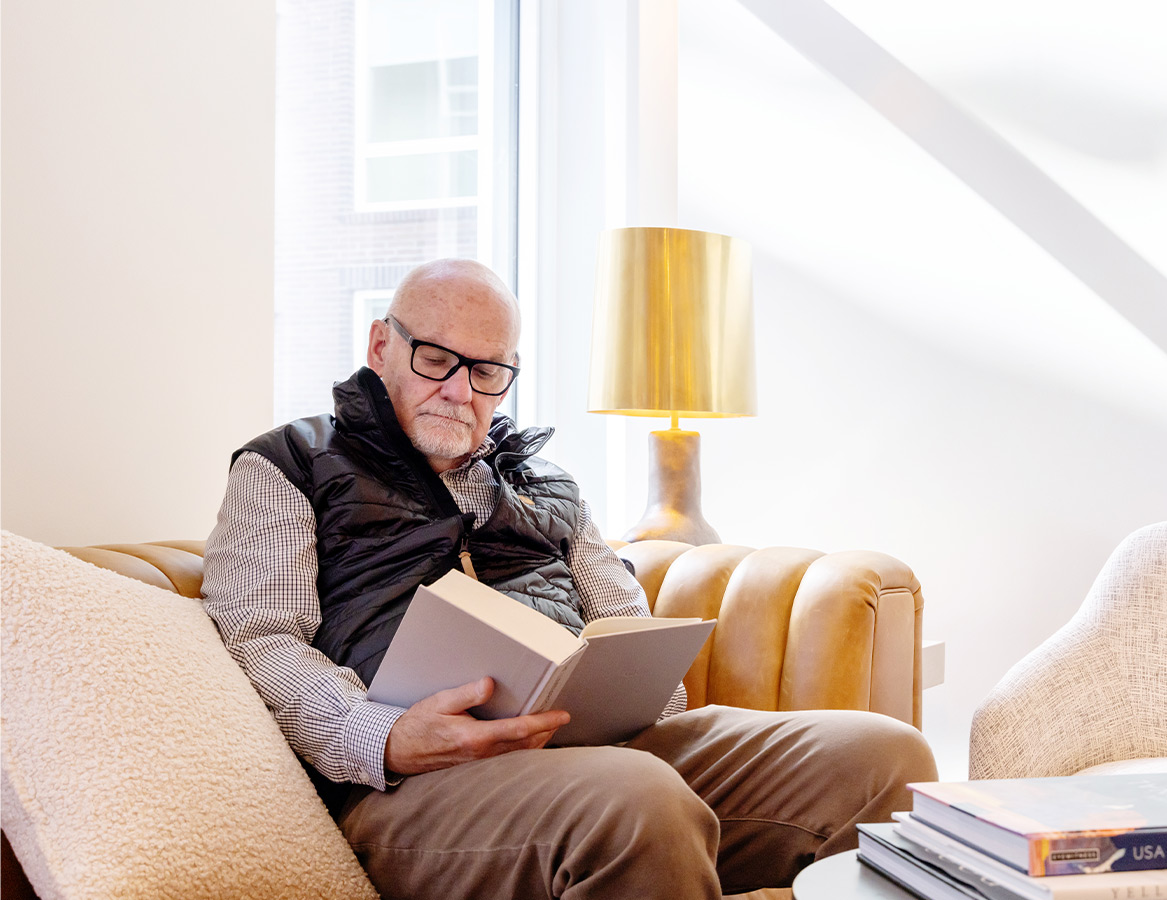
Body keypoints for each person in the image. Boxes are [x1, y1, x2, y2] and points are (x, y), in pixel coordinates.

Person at [202, 258, 936, 900]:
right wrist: (385, 737)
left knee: (884, 756)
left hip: (598, 753)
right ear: (381, 346)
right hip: (406, 787)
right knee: (637, 799)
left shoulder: (547, 482)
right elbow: (261, 640)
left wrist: (631, 687)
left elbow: (628, 626)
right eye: (435, 359)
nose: (461, 390)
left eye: (486, 369)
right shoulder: (288, 465)